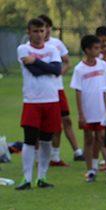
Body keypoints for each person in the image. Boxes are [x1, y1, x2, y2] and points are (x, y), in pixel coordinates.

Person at [15, 18, 62, 190]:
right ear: (29, 32)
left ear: (46, 31)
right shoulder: (23, 49)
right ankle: (26, 178)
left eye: (42, 31)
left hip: (51, 100)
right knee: (29, 140)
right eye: (35, 31)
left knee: (46, 140)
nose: (39, 34)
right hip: (32, 100)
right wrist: (44, 66)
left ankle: (42, 177)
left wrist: (34, 60)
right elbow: (34, 73)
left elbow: (57, 70)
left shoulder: (52, 49)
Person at [39, 14, 83, 165]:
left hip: (58, 89)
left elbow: (67, 62)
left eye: (47, 26)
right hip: (43, 91)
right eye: (41, 28)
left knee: (66, 120)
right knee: (44, 124)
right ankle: (43, 156)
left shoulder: (56, 43)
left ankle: (61, 155)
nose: (45, 30)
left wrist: (59, 74)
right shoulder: (32, 46)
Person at [70, 34, 106, 183]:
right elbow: (78, 92)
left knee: (101, 137)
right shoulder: (79, 69)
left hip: (102, 109)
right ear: (87, 50)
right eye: (96, 48)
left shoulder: (103, 65)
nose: (99, 50)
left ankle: (105, 167)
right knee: (88, 138)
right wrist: (81, 114)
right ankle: (90, 170)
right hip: (88, 109)